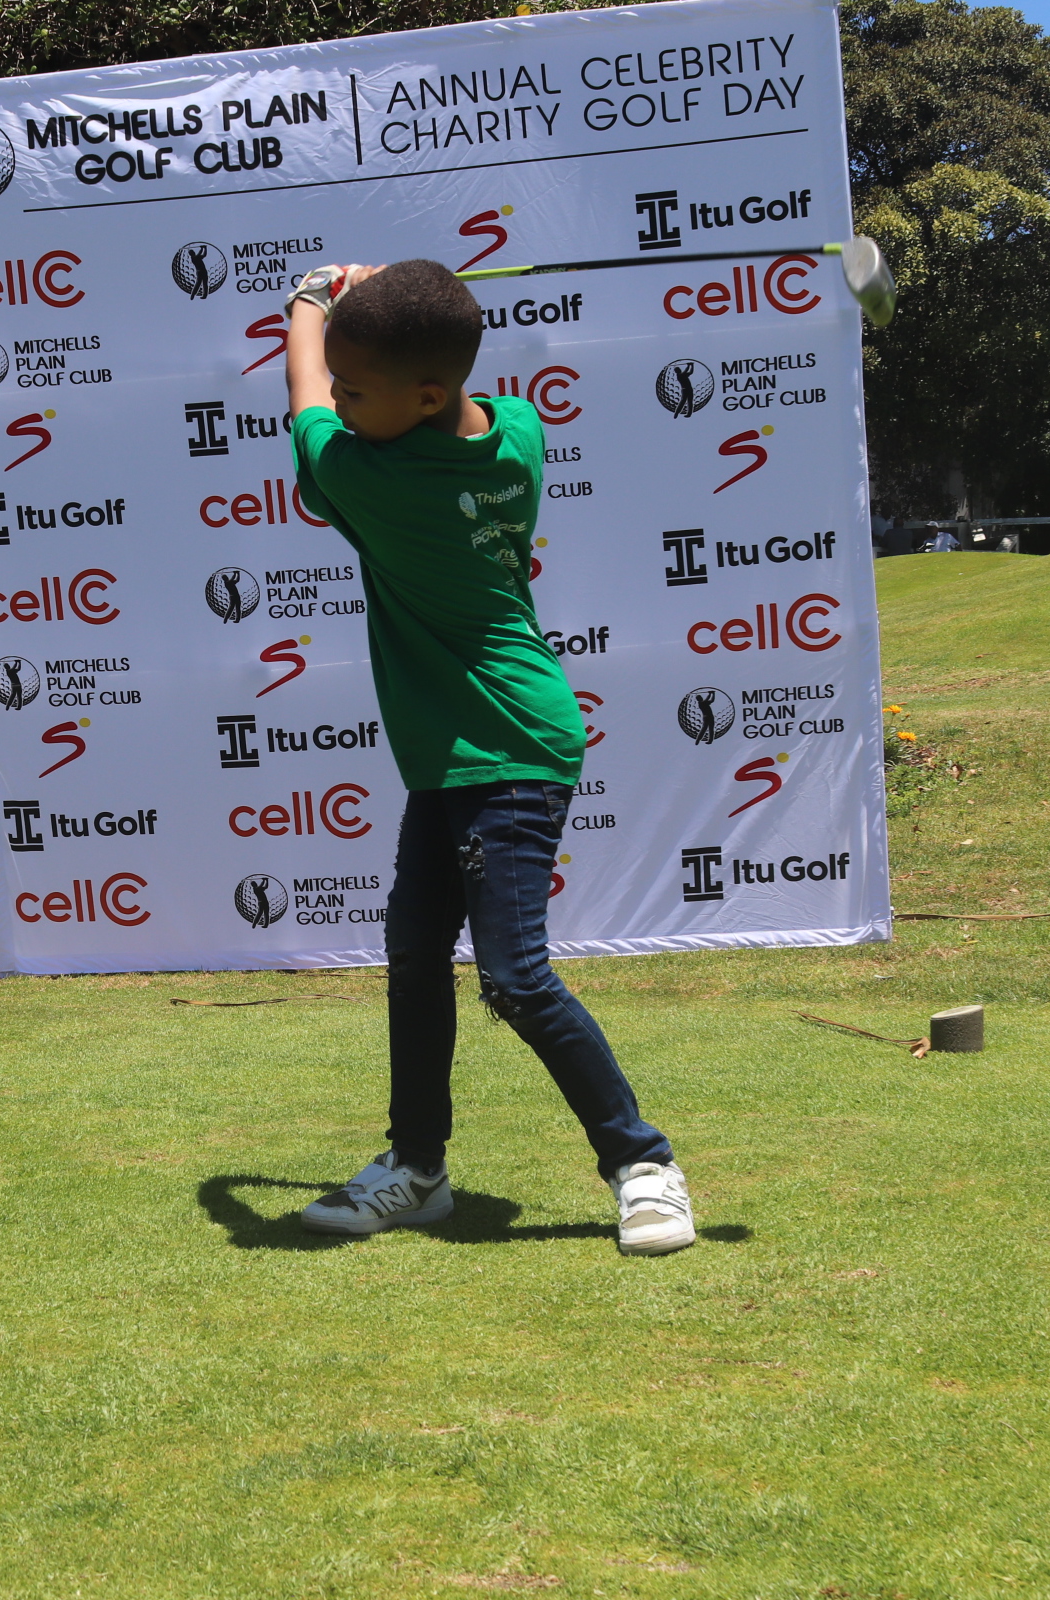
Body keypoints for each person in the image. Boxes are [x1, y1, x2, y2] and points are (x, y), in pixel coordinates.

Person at [280, 259, 693, 1257]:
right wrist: (379, 305)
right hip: (456, 750)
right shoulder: (515, 429)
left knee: (513, 976)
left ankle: (643, 1164)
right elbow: (411, 365)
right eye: (343, 386)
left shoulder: (374, 480)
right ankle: (418, 1169)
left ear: (424, 398)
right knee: (417, 959)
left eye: (356, 390)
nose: (340, 401)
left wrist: (310, 296)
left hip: (504, 746)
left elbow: (301, 396)